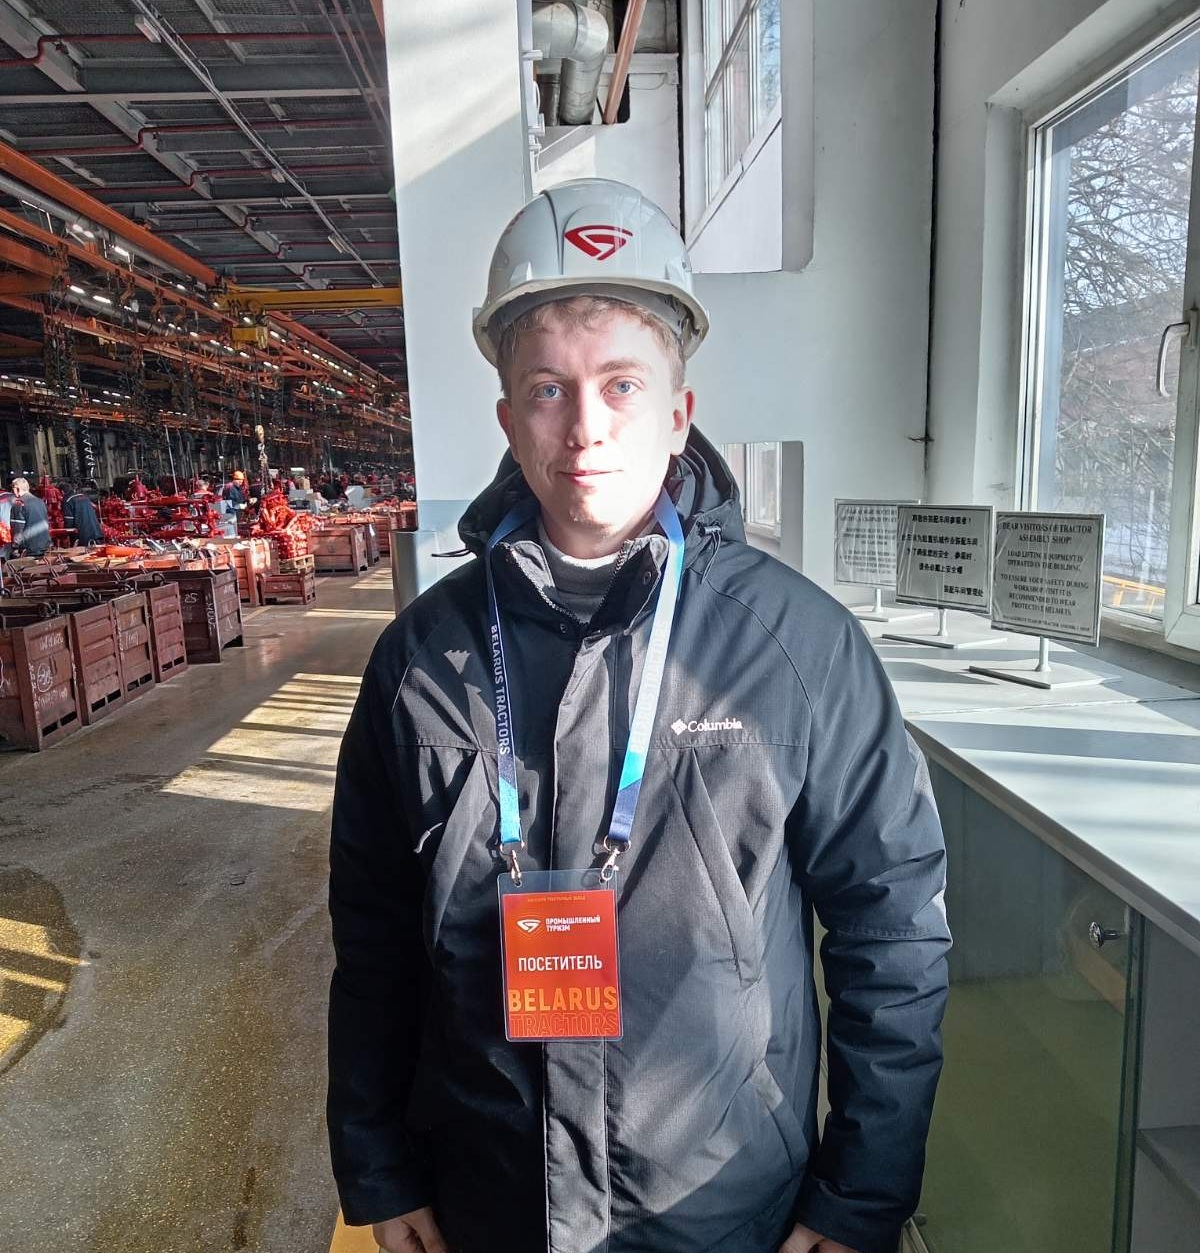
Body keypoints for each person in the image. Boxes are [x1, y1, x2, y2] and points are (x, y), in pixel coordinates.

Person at [328, 178, 951, 1253]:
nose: (587, 427)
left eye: (622, 383)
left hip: (723, 1204)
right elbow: (372, 935)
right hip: (489, 1197)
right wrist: (378, 1166)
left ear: (678, 411)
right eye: (548, 389)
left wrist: (860, 1193)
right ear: (507, 418)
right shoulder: (419, 661)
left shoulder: (797, 649)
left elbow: (891, 929)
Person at [10, 477, 51, 556]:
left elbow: (18, 528)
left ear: (17, 489)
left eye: (13, 489)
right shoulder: (40, 501)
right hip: (45, 544)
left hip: (28, 547)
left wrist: (15, 546)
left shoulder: (19, 504)